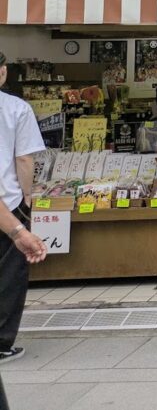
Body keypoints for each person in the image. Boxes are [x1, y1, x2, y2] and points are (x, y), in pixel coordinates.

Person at [0, 52, 48, 364]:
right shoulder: (17, 108)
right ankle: (2, 341)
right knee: (9, 275)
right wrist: (27, 198)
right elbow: (25, 159)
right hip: (10, 199)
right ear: (3, 73)